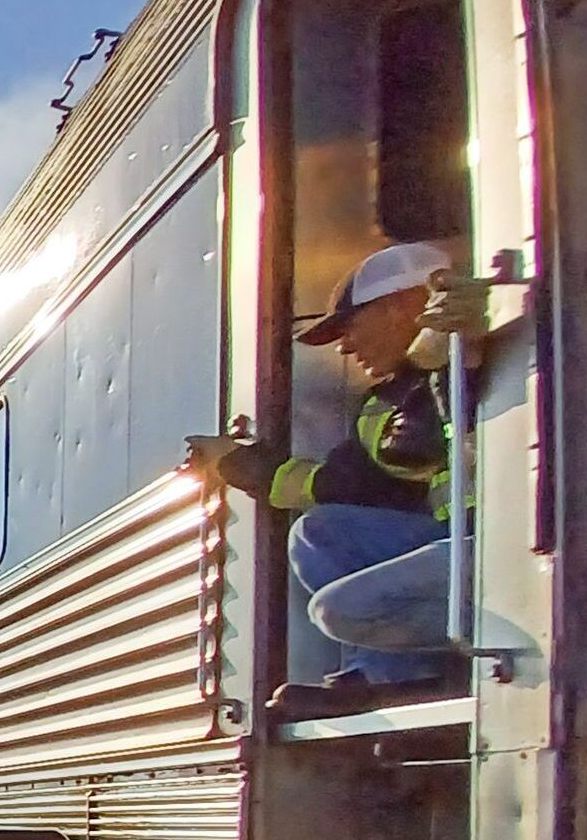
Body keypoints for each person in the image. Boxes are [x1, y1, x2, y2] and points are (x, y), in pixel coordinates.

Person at [184, 240, 491, 719]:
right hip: (449, 544)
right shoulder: (387, 398)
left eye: (350, 325)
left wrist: (440, 358)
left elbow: (415, 446)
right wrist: (236, 464)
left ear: (402, 306)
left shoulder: (477, 351)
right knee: (320, 531)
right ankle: (385, 676)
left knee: (338, 606)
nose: (345, 346)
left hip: (491, 549)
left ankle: (410, 673)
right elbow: (350, 483)